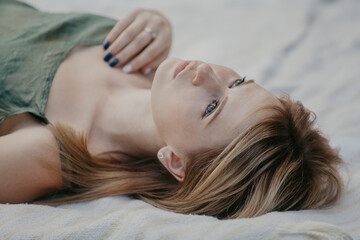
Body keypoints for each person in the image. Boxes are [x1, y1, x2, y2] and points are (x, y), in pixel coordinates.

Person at [0, 0, 344, 219]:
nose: (206, 72)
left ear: (175, 162)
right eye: (238, 82)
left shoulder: (48, 154)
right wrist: (153, 19)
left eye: (211, 107)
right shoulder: (145, 57)